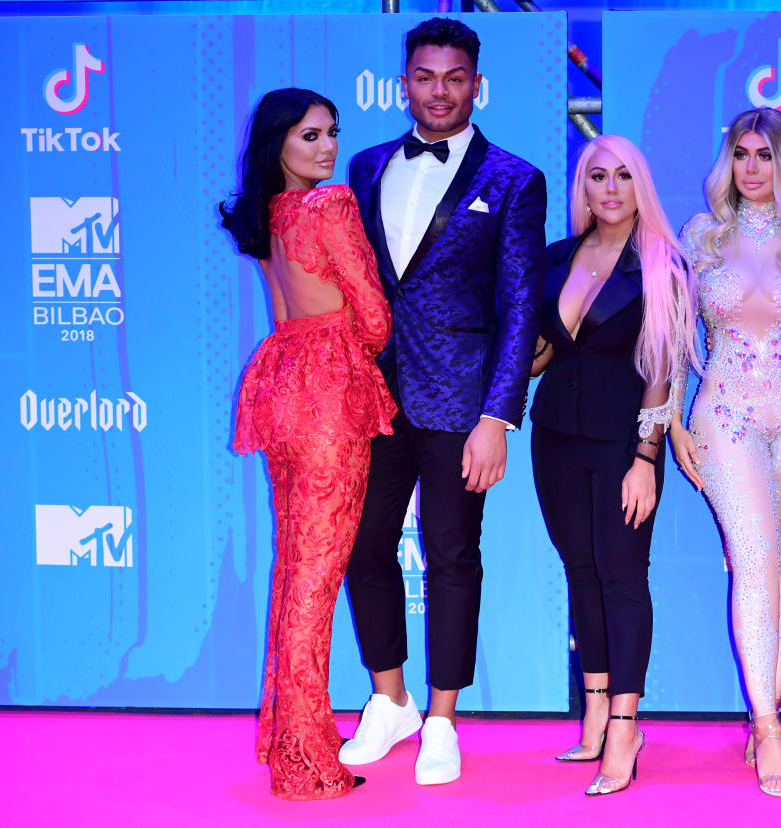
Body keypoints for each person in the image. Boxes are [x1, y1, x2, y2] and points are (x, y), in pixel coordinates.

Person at [338, 17, 547, 786]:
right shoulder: (363, 168)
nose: (439, 91)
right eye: (425, 77)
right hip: (372, 396)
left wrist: (497, 416)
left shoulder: (514, 179)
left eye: (454, 78)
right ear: (404, 84)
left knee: (453, 559)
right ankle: (388, 700)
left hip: (462, 404)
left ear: (476, 84)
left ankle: (442, 719)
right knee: (364, 546)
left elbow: (520, 304)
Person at [221, 88, 396, 800]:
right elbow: (376, 314)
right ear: (279, 145)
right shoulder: (330, 206)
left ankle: (295, 741)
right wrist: (355, 352)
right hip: (327, 392)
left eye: (331, 134)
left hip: (280, 385)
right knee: (314, 583)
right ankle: (305, 762)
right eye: (309, 137)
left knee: (296, 572)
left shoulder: (264, 214)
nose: (326, 148)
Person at [670, 108, 781, 798]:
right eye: (741, 154)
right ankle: (768, 727)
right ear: (728, 162)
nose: (753, 168)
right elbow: (678, 336)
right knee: (755, 557)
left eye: (766, 154)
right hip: (725, 416)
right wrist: (668, 420)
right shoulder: (700, 237)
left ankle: (769, 703)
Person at [530, 135, 696, 797]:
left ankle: (626, 725)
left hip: (621, 443)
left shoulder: (662, 265)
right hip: (554, 437)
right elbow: (543, 352)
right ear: (584, 186)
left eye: (624, 175)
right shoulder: (557, 258)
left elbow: (663, 369)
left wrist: (644, 459)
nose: (610, 187)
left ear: (640, 186)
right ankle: (594, 712)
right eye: (597, 175)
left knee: (622, 577)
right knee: (581, 573)